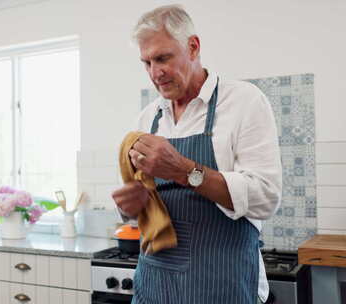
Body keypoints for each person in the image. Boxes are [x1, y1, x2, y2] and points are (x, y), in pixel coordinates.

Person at [112, 4, 282, 304]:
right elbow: (141, 213)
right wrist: (130, 207)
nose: (155, 72)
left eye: (163, 58)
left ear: (193, 47)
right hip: (154, 288)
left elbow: (265, 197)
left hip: (222, 287)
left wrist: (182, 170)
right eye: (147, 62)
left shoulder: (244, 102)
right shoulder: (146, 120)